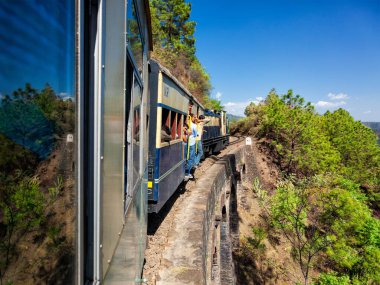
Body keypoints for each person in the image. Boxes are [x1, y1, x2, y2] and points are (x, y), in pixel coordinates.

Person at [184, 113, 197, 181]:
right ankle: (187, 173)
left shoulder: (188, 123)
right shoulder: (194, 125)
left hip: (188, 142)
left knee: (187, 157)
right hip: (191, 142)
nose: (195, 118)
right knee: (190, 158)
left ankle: (187, 172)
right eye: (194, 117)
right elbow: (195, 134)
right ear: (191, 117)